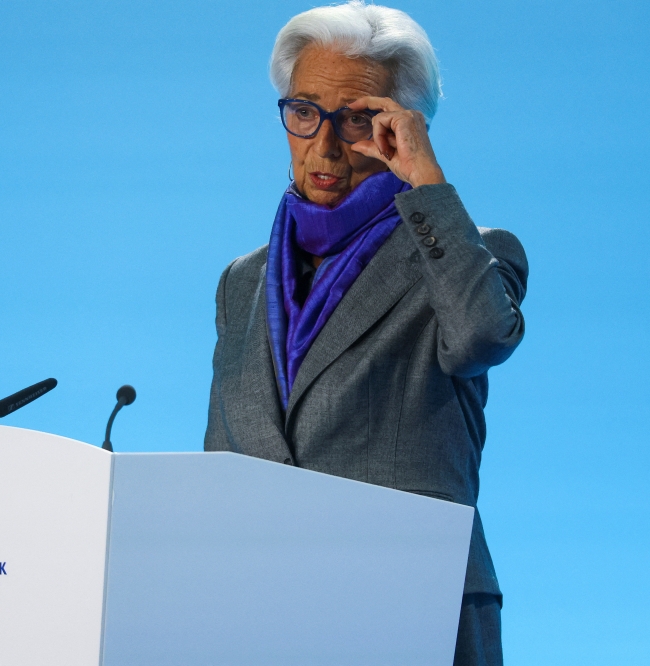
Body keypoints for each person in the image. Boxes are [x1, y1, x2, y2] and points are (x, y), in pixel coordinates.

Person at [203, 3, 528, 665]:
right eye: (303, 112)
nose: (322, 146)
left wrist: (428, 183)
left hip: (413, 601)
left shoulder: (468, 253)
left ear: (401, 127)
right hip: (262, 614)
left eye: (355, 119)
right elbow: (223, 460)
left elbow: (483, 338)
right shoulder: (243, 280)